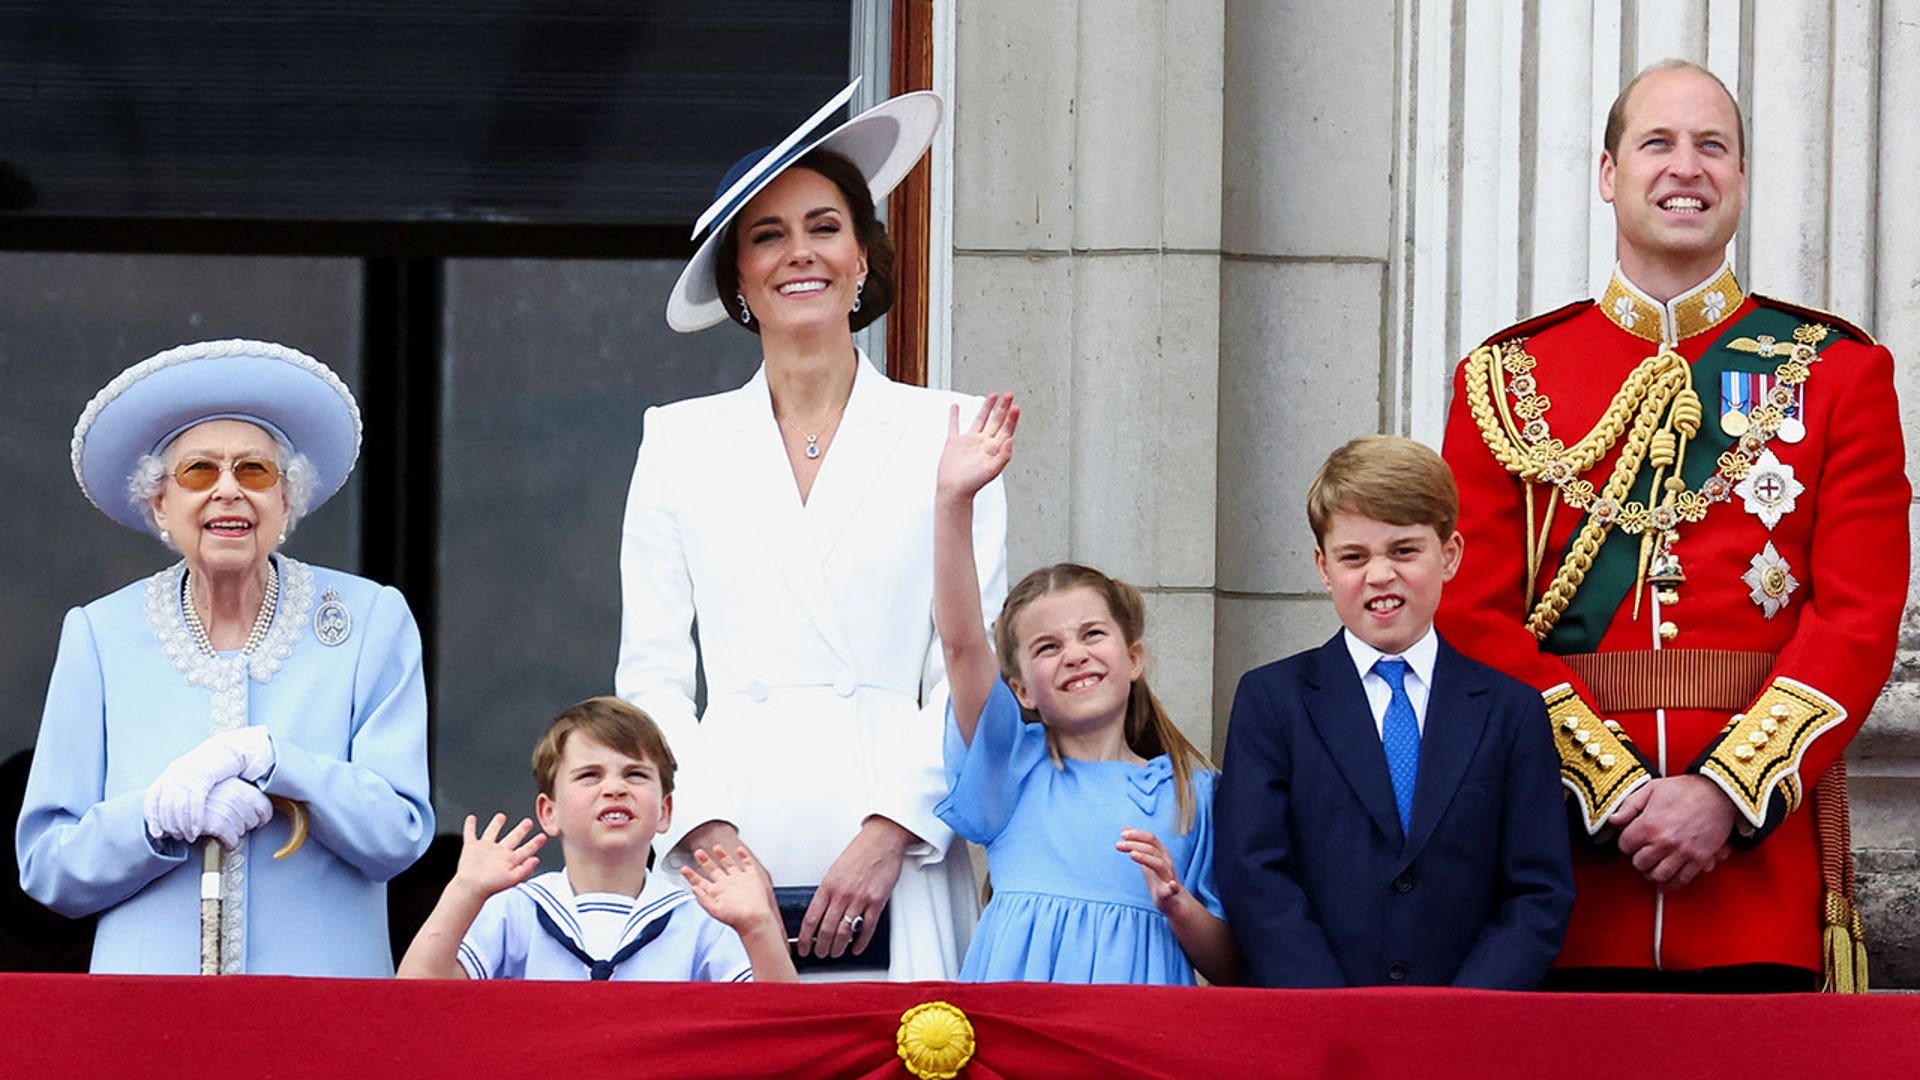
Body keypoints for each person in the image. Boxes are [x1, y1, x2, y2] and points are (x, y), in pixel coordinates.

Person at [1437, 59, 1907, 992]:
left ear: (1739, 177)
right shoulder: (1505, 377)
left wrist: (1726, 796)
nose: (1685, 167)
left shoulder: (1838, 372)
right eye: (1657, 143)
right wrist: (1610, 792)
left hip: (1756, 883)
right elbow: (1467, 613)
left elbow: (1857, 619)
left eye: (1712, 147)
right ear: (1609, 174)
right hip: (1560, 880)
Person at [619, 79, 1007, 980]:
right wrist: (707, 831)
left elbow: (962, 667)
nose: (801, 254)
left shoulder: (953, 430)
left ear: (864, 258)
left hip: (897, 844)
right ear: (740, 280)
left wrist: (889, 836)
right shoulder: (676, 440)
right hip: (729, 844)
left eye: (825, 227)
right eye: (768, 235)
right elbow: (652, 672)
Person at [17, 339, 434, 975]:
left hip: (322, 1011)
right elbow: (48, 867)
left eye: (256, 472)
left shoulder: (369, 622)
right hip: (146, 1015)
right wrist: (153, 819)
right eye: (198, 473)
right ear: (159, 502)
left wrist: (279, 763)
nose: (229, 492)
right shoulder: (99, 635)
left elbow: (398, 834)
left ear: (287, 501)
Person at [1216, 436, 1573, 989]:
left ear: (1449, 554)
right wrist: (1333, 1012)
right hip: (1318, 1030)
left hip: (1464, 1035)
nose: (1380, 575)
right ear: (1323, 567)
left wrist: (1460, 1016)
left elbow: (1538, 889)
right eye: (1354, 557)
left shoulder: (1511, 711)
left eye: (1404, 551)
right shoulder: (1272, 700)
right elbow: (1254, 873)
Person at [930, 394, 1237, 986]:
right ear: (1019, 689)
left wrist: (1177, 904)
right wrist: (953, 503)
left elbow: (1232, 965)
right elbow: (962, 643)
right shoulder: (1009, 769)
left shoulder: (1193, 793)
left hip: (1131, 1035)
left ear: (1134, 658)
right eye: (1047, 647)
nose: (1074, 653)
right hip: (1016, 1032)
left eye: (1092, 634)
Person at [397, 696, 797, 983]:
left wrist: (758, 926)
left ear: (665, 812)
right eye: (590, 775)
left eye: (635, 775)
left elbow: (781, 1026)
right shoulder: (515, 910)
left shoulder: (700, 917)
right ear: (548, 812)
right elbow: (416, 993)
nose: (615, 788)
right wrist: (464, 890)